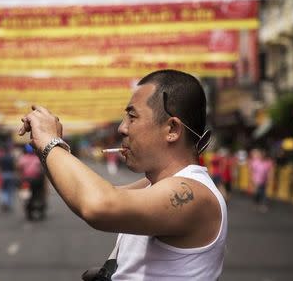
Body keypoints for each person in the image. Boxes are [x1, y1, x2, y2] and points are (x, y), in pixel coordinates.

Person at [19, 69, 227, 280]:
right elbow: (88, 192)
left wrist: (50, 141)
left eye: (132, 117)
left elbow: (99, 205)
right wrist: (45, 149)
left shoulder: (193, 193)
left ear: (172, 129)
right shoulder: (155, 183)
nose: (122, 128)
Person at [17, 144, 46, 221]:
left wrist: (21, 179)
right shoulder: (37, 158)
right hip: (36, 181)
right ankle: (38, 209)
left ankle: (29, 212)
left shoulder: (22, 158)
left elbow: (19, 169)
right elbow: (41, 170)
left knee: (26, 197)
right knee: (38, 195)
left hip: (26, 181)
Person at [248, 148, 273, 213]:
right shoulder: (256, 162)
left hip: (264, 180)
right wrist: (251, 178)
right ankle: (257, 203)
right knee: (258, 192)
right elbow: (251, 169)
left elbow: (270, 171)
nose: (262, 156)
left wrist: (269, 179)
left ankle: (261, 205)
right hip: (256, 180)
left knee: (263, 193)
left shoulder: (267, 163)